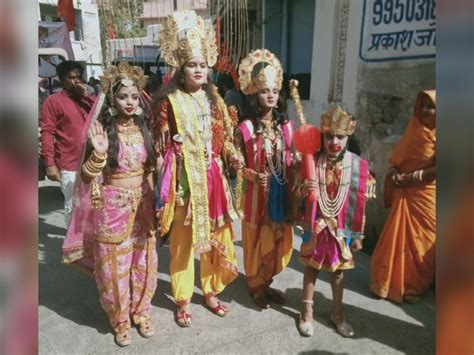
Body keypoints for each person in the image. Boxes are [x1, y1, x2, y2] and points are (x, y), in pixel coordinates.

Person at [153, 10, 243, 327]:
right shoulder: (168, 102)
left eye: (203, 64)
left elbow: (227, 139)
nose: (198, 69)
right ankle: (182, 299)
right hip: (184, 183)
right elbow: (159, 145)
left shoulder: (216, 99)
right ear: (181, 68)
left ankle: (210, 290)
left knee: (215, 239)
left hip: (214, 180)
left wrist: (233, 155)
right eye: (192, 64)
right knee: (182, 244)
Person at [62, 60, 158, 347]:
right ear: (112, 100)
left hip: (144, 208)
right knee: (114, 269)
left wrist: (157, 203)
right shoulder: (103, 132)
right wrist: (100, 154)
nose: (129, 102)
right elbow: (87, 175)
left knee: (144, 263)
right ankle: (120, 319)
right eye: (122, 96)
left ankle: (140, 311)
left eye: (133, 96)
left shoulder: (145, 130)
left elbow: (151, 170)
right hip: (113, 209)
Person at [295, 105, 376, 337]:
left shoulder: (357, 166)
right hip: (317, 226)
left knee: (338, 274)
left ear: (348, 137)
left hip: (341, 230)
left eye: (340, 136)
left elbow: (360, 203)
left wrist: (358, 235)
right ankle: (306, 311)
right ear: (322, 136)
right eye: (329, 136)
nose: (334, 141)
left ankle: (337, 313)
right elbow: (298, 189)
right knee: (311, 269)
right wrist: (305, 187)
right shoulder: (313, 161)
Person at [234, 49, 295, 309]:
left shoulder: (286, 126)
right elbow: (234, 163)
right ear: (254, 95)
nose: (269, 95)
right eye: (263, 91)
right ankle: (255, 284)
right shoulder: (245, 128)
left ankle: (267, 281)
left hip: (280, 194)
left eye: (273, 91)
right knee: (256, 241)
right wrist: (252, 175)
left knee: (280, 239)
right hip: (256, 196)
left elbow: (293, 158)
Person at [370, 90, 436, 303]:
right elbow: (396, 159)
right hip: (405, 192)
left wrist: (408, 178)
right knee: (397, 238)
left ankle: (414, 287)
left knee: (424, 242)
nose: (425, 110)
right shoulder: (413, 130)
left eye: (431, 106)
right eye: (423, 105)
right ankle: (387, 282)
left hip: (427, 195)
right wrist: (396, 174)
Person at [40, 60, 94, 225]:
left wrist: (86, 96)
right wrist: (50, 163)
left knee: (94, 204)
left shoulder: (87, 99)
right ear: (62, 80)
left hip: (94, 162)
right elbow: (47, 133)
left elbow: (102, 115)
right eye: (71, 78)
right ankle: (74, 244)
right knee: (74, 206)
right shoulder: (53, 101)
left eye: (79, 77)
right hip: (70, 164)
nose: (76, 81)